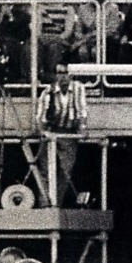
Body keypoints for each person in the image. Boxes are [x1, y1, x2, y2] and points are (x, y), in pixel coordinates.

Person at [36, 63, 87, 207]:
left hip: (69, 133)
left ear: (71, 75)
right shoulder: (48, 91)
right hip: (51, 132)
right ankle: (44, 205)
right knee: (45, 171)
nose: (63, 77)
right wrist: (44, 133)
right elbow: (41, 117)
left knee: (66, 171)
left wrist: (82, 128)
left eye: (65, 73)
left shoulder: (78, 88)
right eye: (59, 73)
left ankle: (56, 204)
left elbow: (82, 110)